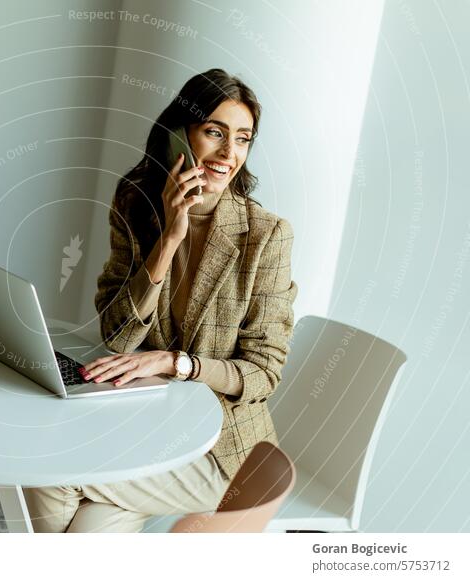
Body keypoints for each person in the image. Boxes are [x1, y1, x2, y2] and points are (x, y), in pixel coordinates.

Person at [23, 68, 298, 532]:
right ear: (179, 136)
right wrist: (169, 239)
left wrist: (176, 363)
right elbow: (118, 336)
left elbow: (264, 373)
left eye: (244, 139)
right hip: (146, 424)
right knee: (84, 528)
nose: (230, 153)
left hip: (221, 452)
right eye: (215, 133)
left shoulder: (266, 236)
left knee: (49, 471)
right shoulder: (135, 202)